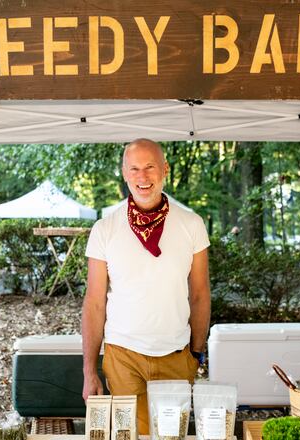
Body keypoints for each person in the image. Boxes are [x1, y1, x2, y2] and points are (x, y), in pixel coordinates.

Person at [81, 139, 211, 435]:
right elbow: (94, 302)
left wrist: (196, 355)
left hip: (176, 354)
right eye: (134, 168)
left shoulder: (192, 224)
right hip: (122, 356)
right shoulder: (104, 229)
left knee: (170, 435)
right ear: (124, 173)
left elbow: (200, 294)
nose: (142, 176)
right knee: (131, 435)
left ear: (165, 169)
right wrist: (89, 371)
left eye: (150, 167)